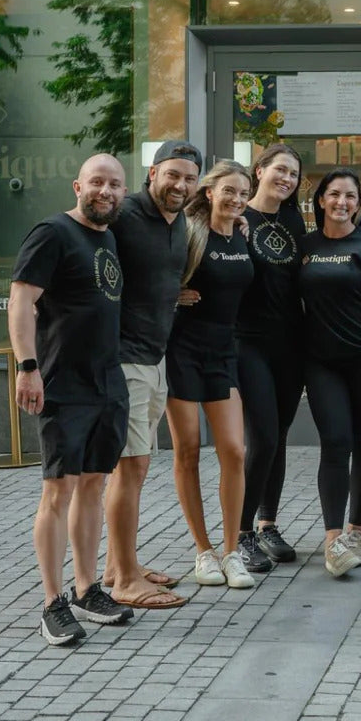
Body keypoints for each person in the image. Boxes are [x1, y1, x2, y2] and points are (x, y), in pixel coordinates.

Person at [9, 154, 134, 647]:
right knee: (58, 490)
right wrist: (27, 367)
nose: (106, 190)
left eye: (115, 184)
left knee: (93, 487)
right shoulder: (53, 232)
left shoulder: (107, 236)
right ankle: (52, 603)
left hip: (108, 383)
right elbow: (21, 299)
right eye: (98, 182)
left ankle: (87, 589)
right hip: (63, 383)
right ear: (78, 184)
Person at [103, 139, 202, 612]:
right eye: (172, 175)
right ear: (152, 173)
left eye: (189, 178)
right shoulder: (122, 214)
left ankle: (118, 564)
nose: (180, 185)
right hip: (123, 358)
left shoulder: (180, 220)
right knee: (132, 465)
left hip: (154, 356)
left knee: (135, 466)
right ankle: (123, 579)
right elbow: (73, 237)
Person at [300, 170, 361, 577]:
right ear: (320, 200)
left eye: (350, 196)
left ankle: (356, 530)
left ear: (359, 204)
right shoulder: (304, 248)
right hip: (321, 364)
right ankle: (332, 539)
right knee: (336, 442)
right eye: (334, 194)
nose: (342, 201)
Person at [164, 161, 256, 590]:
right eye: (230, 191)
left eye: (243, 192)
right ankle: (204, 551)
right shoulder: (186, 232)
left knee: (234, 451)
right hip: (182, 350)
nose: (237, 199)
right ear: (209, 191)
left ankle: (232, 550)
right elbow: (147, 273)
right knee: (187, 451)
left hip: (224, 352)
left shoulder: (241, 234)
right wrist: (171, 295)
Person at [235, 143, 308, 575]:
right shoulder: (236, 215)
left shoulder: (295, 221)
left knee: (278, 435)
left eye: (294, 174)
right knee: (261, 436)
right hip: (248, 342)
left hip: (290, 343)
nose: (286, 179)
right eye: (279, 169)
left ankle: (268, 524)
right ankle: (241, 534)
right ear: (259, 170)